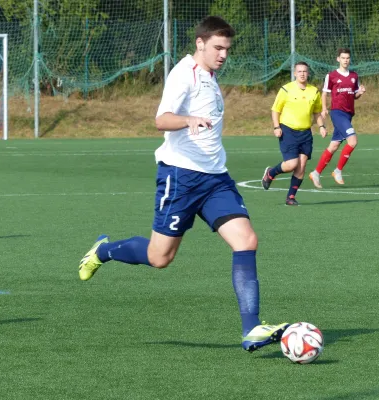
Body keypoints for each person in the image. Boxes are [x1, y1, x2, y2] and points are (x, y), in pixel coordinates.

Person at [78, 16, 288, 352]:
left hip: (216, 178)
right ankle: (103, 251)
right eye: (218, 47)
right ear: (200, 43)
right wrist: (187, 120)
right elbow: (161, 119)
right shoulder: (184, 74)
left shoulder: (210, 76)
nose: (223, 54)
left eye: (227, 49)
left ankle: (252, 329)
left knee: (246, 240)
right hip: (181, 177)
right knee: (160, 257)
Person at [261, 61, 327, 206]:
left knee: (301, 166)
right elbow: (275, 110)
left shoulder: (314, 91)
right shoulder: (286, 89)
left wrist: (321, 126)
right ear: (295, 73)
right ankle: (271, 173)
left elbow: (317, 112)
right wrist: (276, 127)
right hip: (288, 130)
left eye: (305, 71)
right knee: (292, 164)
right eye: (300, 71)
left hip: (305, 133)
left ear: (308, 73)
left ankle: (290, 197)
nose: (302, 74)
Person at [308, 48, 366, 188]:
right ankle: (338, 170)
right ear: (338, 59)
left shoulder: (354, 76)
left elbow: (354, 95)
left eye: (347, 58)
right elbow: (324, 93)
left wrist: (360, 93)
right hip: (337, 113)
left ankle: (316, 173)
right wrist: (323, 108)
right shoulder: (332, 76)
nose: (345, 60)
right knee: (352, 141)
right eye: (343, 58)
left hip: (348, 114)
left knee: (333, 146)